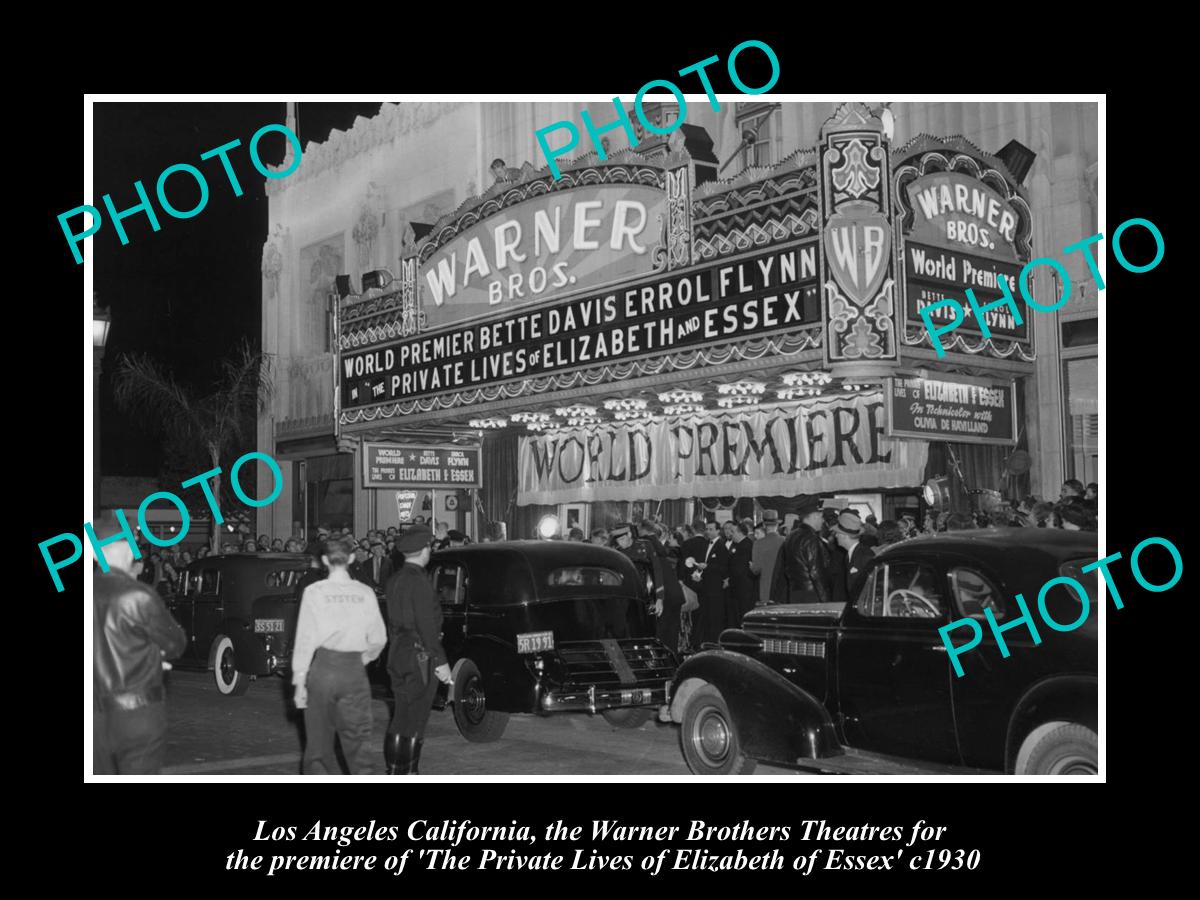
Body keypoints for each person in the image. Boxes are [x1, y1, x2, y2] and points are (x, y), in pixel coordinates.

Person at [93, 514, 188, 774]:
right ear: (128, 548)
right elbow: (176, 643)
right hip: (137, 712)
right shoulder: (137, 595)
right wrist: (157, 653)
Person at [290, 537, 386, 775]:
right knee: (359, 745)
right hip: (353, 670)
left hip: (322, 669)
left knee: (318, 747)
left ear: (324, 561)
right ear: (352, 559)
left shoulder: (314, 591)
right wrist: (361, 659)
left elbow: (304, 639)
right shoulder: (365, 592)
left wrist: (300, 680)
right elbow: (378, 639)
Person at [383, 525, 453, 775]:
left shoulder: (394, 580)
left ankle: (393, 772)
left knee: (401, 717)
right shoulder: (420, 581)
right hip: (420, 656)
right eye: (429, 547)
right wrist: (441, 661)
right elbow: (427, 626)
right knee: (417, 720)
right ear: (424, 550)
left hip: (399, 652)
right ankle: (410, 773)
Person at [771, 495, 833, 605]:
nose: (823, 520)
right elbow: (816, 572)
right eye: (821, 517)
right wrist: (825, 600)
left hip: (795, 593)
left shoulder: (791, 536)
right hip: (812, 595)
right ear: (813, 517)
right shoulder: (811, 538)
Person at [691, 520, 730, 645]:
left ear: (718, 531)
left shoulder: (721, 545)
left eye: (711, 529)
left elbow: (723, 567)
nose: (708, 531)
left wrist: (707, 567)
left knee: (715, 617)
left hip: (715, 588)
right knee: (706, 616)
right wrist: (698, 574)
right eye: (707, 529)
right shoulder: (706, 544)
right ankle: (706, 642)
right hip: (706, 587)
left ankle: (715, 643)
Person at [832, 511, 873, 601]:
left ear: (844, 536)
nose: (836, 536)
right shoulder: (851, 554)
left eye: (837, 533)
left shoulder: (865, 555)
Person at [750, 510, 784, 607]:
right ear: (777, 525)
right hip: (782, 589)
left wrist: (751, 566)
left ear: (764, 526)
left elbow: (756, 569)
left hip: (766, 589)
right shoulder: (785, 540)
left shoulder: (758, 544)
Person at [727, 522, 756, 622]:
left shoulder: (746, 545)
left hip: (744, 588)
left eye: (733, 532)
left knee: (743, 615)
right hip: (737, 588)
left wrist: (729, 580)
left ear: (740, 533)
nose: (731, 534)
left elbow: (739, 569)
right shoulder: (737, 545)